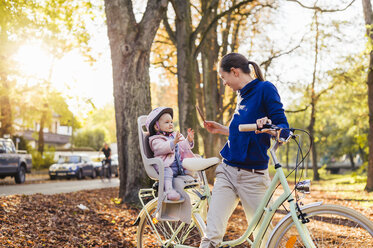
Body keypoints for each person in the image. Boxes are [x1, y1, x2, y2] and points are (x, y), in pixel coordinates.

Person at [199, 53, 289, 248]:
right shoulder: (241, 96)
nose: (224, 83)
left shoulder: (265, 89)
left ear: (235, 72)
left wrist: (269, 126)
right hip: (227, 171)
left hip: (254, 177)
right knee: (212, 234)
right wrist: (222, 129)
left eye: (223, 78)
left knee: (264, 238)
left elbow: (283, 129)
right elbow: (243, 132)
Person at [146, 107, 195, 201]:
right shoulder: (155, 139)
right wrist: (173, 142)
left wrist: (188, 140)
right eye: (167, 122)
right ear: (156, 127)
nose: (171, 124)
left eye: (171, 122)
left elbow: (183, 146)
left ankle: (194, 180)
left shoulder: (174, 135)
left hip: (178, 166)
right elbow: (162, 148)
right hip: (165, 166)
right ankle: (169, 190)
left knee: (189, 163)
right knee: (167, 172)